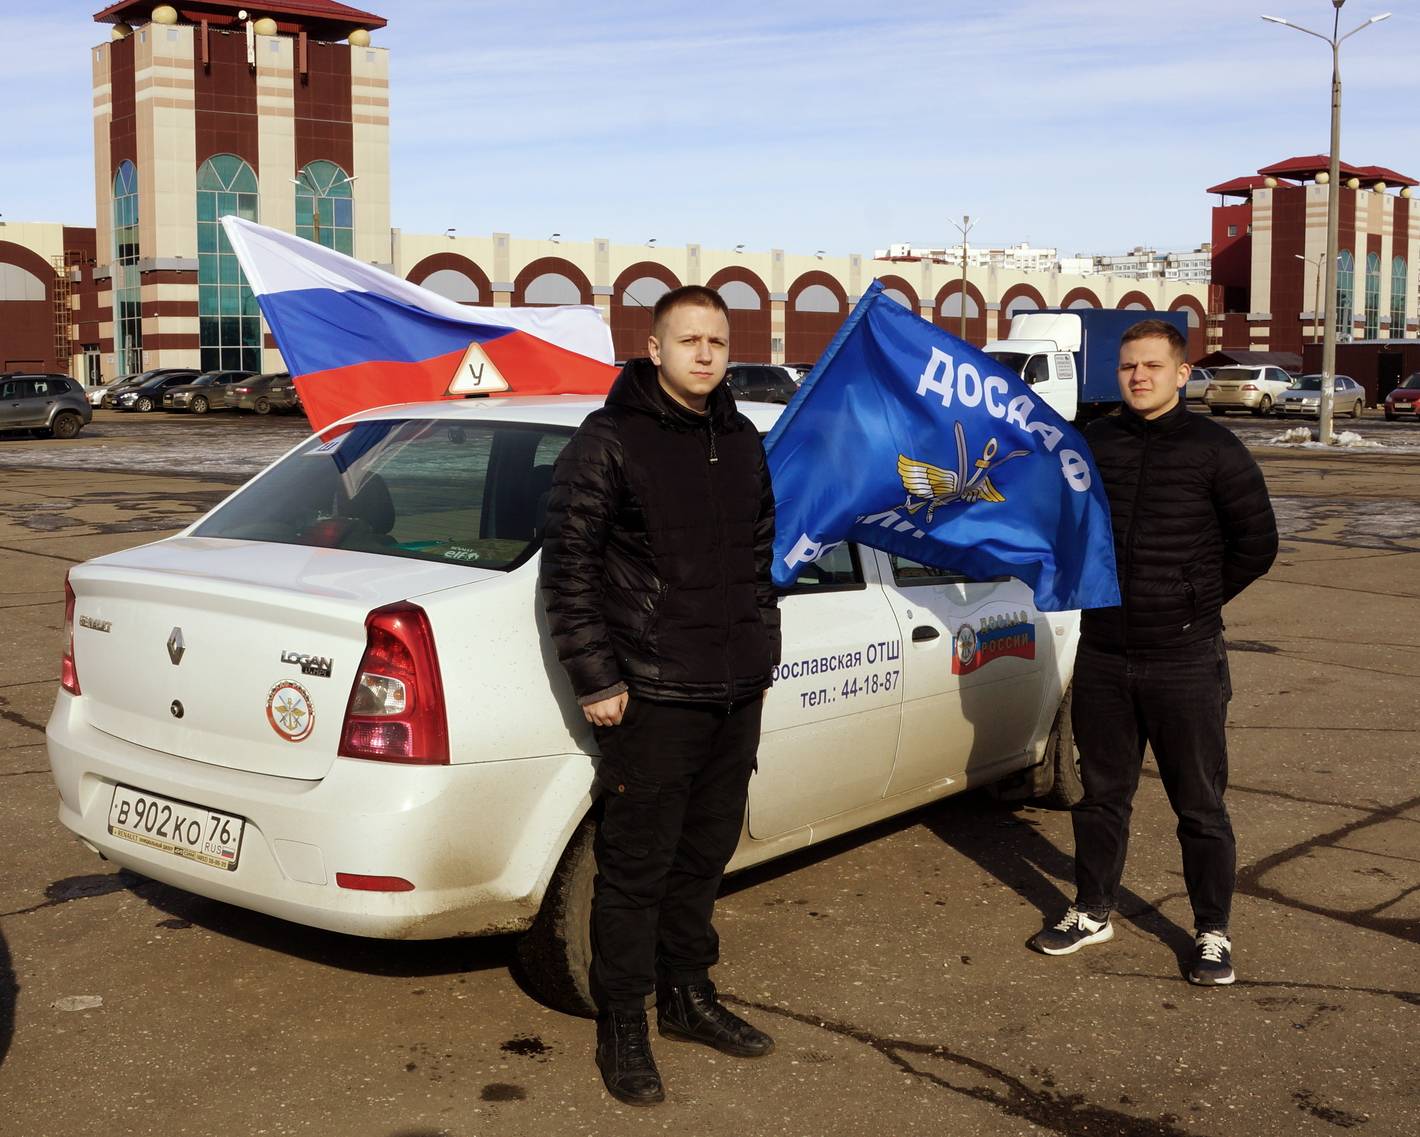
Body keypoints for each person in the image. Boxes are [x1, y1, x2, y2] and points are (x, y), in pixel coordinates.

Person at [540, 285, 780, 1105]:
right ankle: (624, 1020)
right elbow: (568, 568)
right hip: (651, 693)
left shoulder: (741, 439)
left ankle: (687, 994)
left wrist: (762, 648)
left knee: (704, 855)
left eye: (717, 341)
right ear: (654, 348)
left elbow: (759, 557)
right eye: (689, 340)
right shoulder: (609, 440)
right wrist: (597, 678)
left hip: (733, 688)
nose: (705, 354)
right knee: (635, 869)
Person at [1030, 319, 1277, 986]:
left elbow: (1257, 545)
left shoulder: (1216, 449)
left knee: (1199, 804)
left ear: (1182, 373)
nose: (1138, 376)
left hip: (1185, 659)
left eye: (1152, 365)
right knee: (1100, 797)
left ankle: (1212, 932)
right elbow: (1054, 520)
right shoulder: (1093, 443)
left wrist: (1194, 601)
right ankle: (1092, 910)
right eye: (1128, 366)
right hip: (1105, 653)